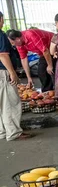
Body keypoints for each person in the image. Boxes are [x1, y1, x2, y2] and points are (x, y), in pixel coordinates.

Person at [0, 12, 32, 141]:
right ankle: (13, 132)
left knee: (1, 103)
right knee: (10, 102)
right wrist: (12, 72)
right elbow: (2, 55)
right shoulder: (0, 35)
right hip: (2, 72)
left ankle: (2, 131)